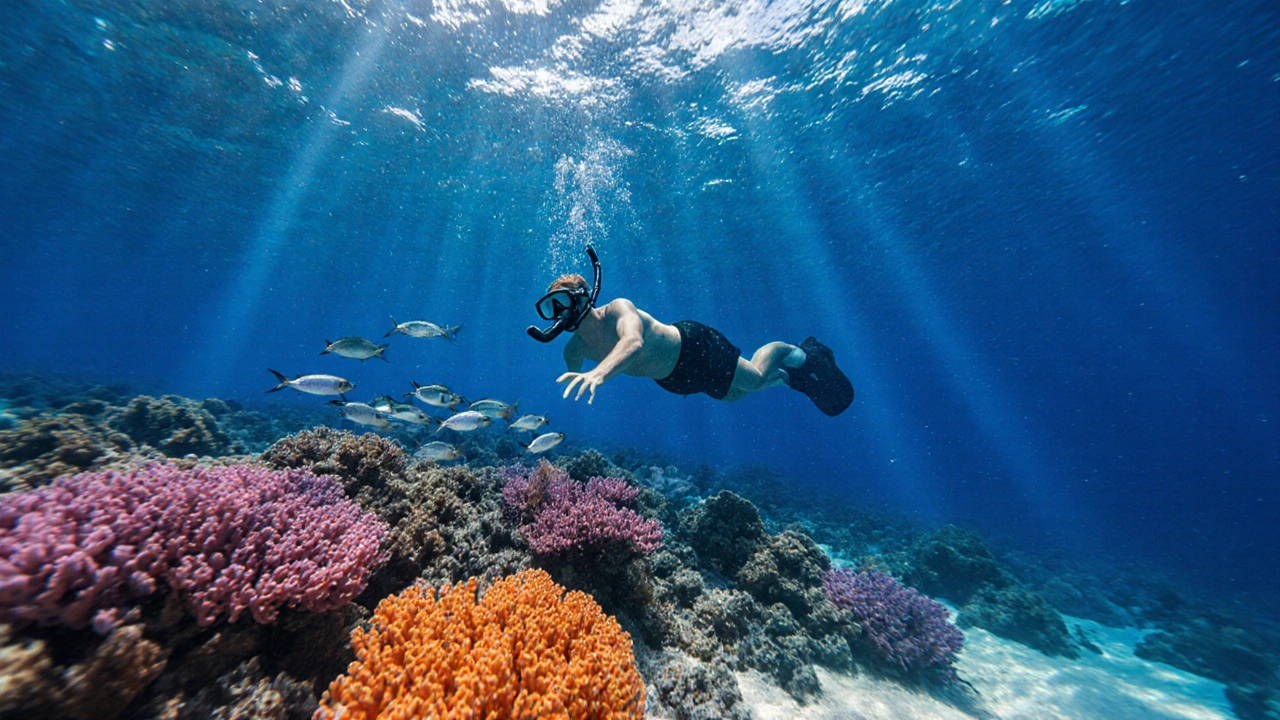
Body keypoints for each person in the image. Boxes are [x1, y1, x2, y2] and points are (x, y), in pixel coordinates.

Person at [527, 247, 854, 416]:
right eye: (549, 308)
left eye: (560, 302)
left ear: (583, 297)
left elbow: (633, 343)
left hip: (695, 346)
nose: (557, 314)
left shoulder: (617, 309)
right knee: (735, 396)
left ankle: (797, 352)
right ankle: (785, 377)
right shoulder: (573, 351)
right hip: (672, 379)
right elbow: (571, 383)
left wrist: (598, 374)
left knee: (752, 378)